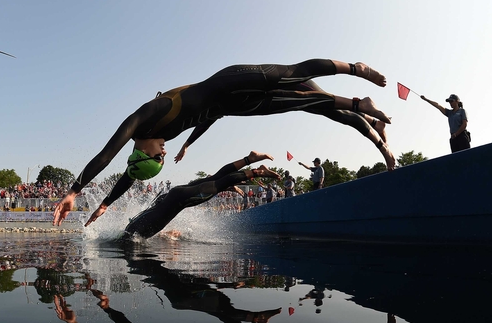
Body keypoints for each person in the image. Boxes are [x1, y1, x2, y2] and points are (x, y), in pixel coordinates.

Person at [53, 59, 392, 227]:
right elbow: (130, 174)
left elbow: (108, 154)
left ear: (143, 151)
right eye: (163, 157)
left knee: (296, 74)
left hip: (231, 81)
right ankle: (370, 124)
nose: (164, 154)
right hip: (238, 106)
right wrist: (107, 203)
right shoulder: (160, 141)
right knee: (308, 103)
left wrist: (74, 190)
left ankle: (356, 69)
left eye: (158, 157)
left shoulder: (149, 115)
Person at [116, 151, 280, 239]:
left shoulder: (134, 235)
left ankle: (257, 172)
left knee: (217, 184)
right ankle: (249, 159)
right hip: (173, 195)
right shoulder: (133, 228)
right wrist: (166, 234)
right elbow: (156, 219)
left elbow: (154, 223)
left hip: (178, 200)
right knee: (215, 179)